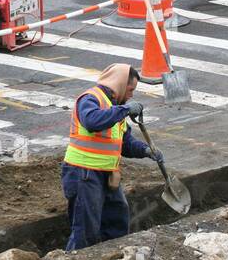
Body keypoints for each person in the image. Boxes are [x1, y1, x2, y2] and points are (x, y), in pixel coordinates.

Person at [62, 63, 161, 250]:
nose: (131, 95)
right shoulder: (90, 99)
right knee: (86, 230)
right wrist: (124, 110)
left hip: (106, 175)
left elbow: (125, 142)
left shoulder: (114, 108)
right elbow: (92, 121)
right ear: (120, 84)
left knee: (117, 220)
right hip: (84, 173)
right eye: (130, 89)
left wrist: (145, 150)